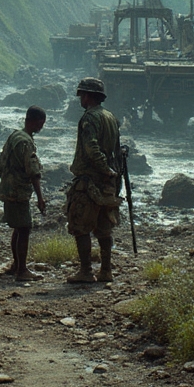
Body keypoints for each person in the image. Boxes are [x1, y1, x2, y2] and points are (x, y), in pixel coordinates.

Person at [65, 77, 121, 284]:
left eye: (82, 95)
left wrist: (103, 168)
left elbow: (91, 148)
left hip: (89, 182)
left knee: (80, 226)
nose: (80, 99)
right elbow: (117, 151)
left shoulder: (89, 118)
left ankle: (86, 271)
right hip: (107, 183)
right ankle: (106, 271)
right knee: (104, 228)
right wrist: (113, 175)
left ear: (88, 96)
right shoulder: (111, 117)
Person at [0, 106, 48, 281]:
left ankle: (17, 265)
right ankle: (22, 270)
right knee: (25, 228)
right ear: (35, 121)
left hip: (8, 187)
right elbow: (33, 171)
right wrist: (40, 198)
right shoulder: (26, 142)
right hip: (18, 190)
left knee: (19, 228)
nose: (41, 127)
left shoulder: (15, 136)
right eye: (41, 123)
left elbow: (0, 164)